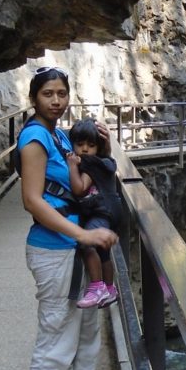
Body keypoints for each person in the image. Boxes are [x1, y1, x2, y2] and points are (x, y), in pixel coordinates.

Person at [17, 66, 119, 370]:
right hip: (55, 249)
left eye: (61, 93)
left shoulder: (60, 135)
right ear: (34, 98)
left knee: (84, 337)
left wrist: (106, 151)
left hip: (74, 248)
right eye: (48, 94)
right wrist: (84, 237)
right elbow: (32, 200)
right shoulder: (35, 138)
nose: (56, 100)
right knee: (57, 340)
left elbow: (85, 182)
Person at [66, 118, 123, 309]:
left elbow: (80, 189)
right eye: (80, 144)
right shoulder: (105, 160)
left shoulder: (90, 163)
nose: (84, 149)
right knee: (103, 251)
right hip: (111, 211)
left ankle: (97, 287)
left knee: (87, 243)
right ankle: (110, 289)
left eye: (90, 145)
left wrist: (72, 166)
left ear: (98, 147)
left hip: (101, 212)